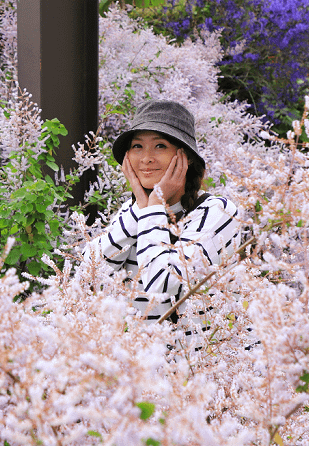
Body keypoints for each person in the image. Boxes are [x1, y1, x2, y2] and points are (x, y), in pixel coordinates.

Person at [87, 100, 241, 346]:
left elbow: (163, 282)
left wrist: (154, 203)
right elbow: (88, 276)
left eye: (160, 145)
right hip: (140, 373)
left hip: (203, 371)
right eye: (137, 146)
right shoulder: (133, 212)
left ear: (185, 157)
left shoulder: (218, 213)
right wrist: (143, 205)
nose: (146, 158)